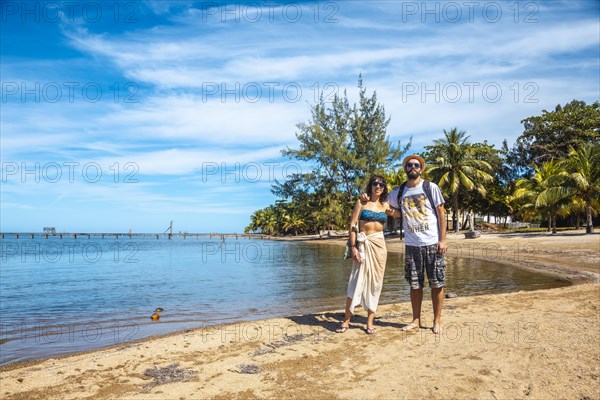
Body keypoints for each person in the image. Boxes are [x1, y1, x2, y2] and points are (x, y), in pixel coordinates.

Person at [363, 155, 448, 334]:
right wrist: (366, 198)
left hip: (432, 242)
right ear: (406, 169)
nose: (413, 167)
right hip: (411, 245)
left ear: (421, 169)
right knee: (415, 285)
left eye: (416, 165)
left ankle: (437, 321)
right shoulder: (398, 192)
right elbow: (384, 205)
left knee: (437, 283)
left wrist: (443, 239)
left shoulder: (430, 187)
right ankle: (416, 320)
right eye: (409, 165)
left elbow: (441, 213)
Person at [336, 175, 393, 335]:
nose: (378, 186)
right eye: (375, 183)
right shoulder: (362, 202)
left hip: (379, 246)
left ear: (384, 188)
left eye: (381, 184)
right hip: (363, 244)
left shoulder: (385, 205)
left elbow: (400, 212)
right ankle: (346, 320)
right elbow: (353, 224)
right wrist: (353, 247)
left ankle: (369, 323)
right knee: (355, 281)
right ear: (371, 186)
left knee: (376, 283)